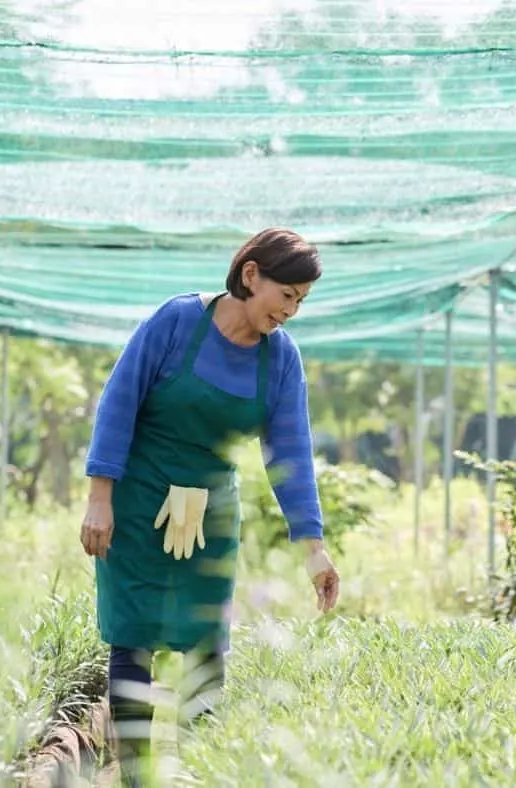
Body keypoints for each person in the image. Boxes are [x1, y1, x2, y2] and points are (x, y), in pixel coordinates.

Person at [80, 228, 340, 783]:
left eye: (301, 302)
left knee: (206, 649)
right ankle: (134, 775)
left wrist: (314, 549)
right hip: (137, 500)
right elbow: (119, 401)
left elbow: (289, 452)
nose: (291, 311)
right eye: (286, 295)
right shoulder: (176, 322)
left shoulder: (281, 359)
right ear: (251, 275)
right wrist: (100, 498)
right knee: (135, 636)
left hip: (211, 514)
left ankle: (197, 771)